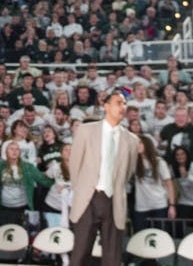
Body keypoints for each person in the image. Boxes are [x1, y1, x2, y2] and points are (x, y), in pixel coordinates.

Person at [68, 89, 139, 266]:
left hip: (114, 201)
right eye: (118, 103)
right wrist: (83, 190)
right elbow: (75, 165)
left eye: (124, 104)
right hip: (88, 199)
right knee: (80, 254)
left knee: (112, 257)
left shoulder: (132, 140)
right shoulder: (85, 130)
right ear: (106, 106)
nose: (122, 107)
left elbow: (128, 172)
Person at [132, 134, 177, 231]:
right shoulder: (134, 162)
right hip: (141, 206)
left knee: (161, 236)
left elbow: (169, 184)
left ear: (147, 145)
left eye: (140, 143)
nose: (137, 145)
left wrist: (172, 205)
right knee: (141, 237)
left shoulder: (159, 162)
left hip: (159, 204)